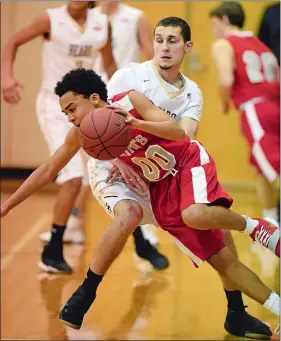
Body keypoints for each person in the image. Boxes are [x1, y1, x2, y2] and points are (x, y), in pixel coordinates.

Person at [1, 67, 279, 338]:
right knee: (213, 254)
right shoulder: (82, 134)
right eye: (65, 113)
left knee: (204, 220)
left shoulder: (132, 100)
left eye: (72, 108)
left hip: (182, 166)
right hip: (155, 187)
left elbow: (178, 132)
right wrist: (8, 205)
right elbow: (49, 170)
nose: (70, 118)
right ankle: (86, 292)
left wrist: (136, 124)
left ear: (94, 98)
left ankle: (251, 242)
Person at [86, 16, 272, 338]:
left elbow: (184, 138)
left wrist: (142, 125)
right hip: (124, 169)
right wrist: (120, 157)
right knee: (128, 215)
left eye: (172, 41)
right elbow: (95, 121)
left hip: (167, 174)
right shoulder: (129, 76)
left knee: (219, 236)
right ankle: (88, 290)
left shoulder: (192, 92)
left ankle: (236, 311)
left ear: (187, 47)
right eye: (159, 40)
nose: (164, 47)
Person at [1, 0, 165, 274]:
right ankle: (53, 249)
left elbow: (110, 63)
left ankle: (141, 240)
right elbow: (13, 41)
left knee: (119, 168)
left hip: (88, 107)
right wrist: (6, 77)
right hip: (57, 108)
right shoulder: (50, 19)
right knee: (73, 176)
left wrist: (116, 98)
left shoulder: (103, 23)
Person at [91, 1, 160, 248]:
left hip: (125, 95)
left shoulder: (135, 16)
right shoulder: (88, 17)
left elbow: (153, 55)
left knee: (137, 160)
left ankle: (147, 234)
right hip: (93, 97)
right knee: (82, 167)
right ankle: (70, 227)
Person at [209, 2, 280, 227]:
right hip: (275, 106)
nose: (214, 31)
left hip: (256, 109)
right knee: (259, 167)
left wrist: (224, 103)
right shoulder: (261, 45)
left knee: (273, 169)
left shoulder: (224, 43)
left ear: (225, 20)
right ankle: (271, 222)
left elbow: (226, 79)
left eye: (214, 24)